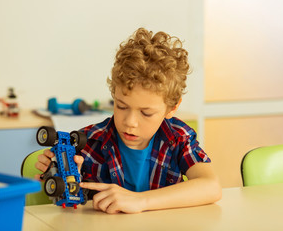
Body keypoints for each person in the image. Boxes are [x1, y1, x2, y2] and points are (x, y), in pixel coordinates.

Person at [35, 28, 222, 214]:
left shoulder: (178, 137)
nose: (130, 122)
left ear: (172, 108)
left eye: (146, 113)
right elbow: (69, 209)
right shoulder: (89, 142)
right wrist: (56, 176)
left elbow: (211, 187)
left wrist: (141, 201)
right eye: (122, 106)